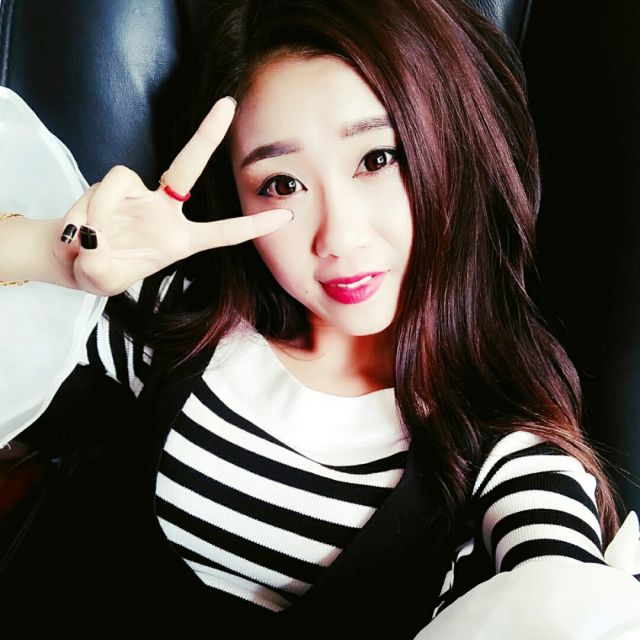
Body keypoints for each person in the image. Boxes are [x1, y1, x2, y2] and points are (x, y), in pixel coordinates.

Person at [0, 0, 638, 637]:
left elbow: (562, 593)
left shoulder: (505, 448)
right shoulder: (186, 321)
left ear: (451, 145)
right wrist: (58, 252)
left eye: (377, 159)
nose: (339, 237)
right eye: (281, 183)